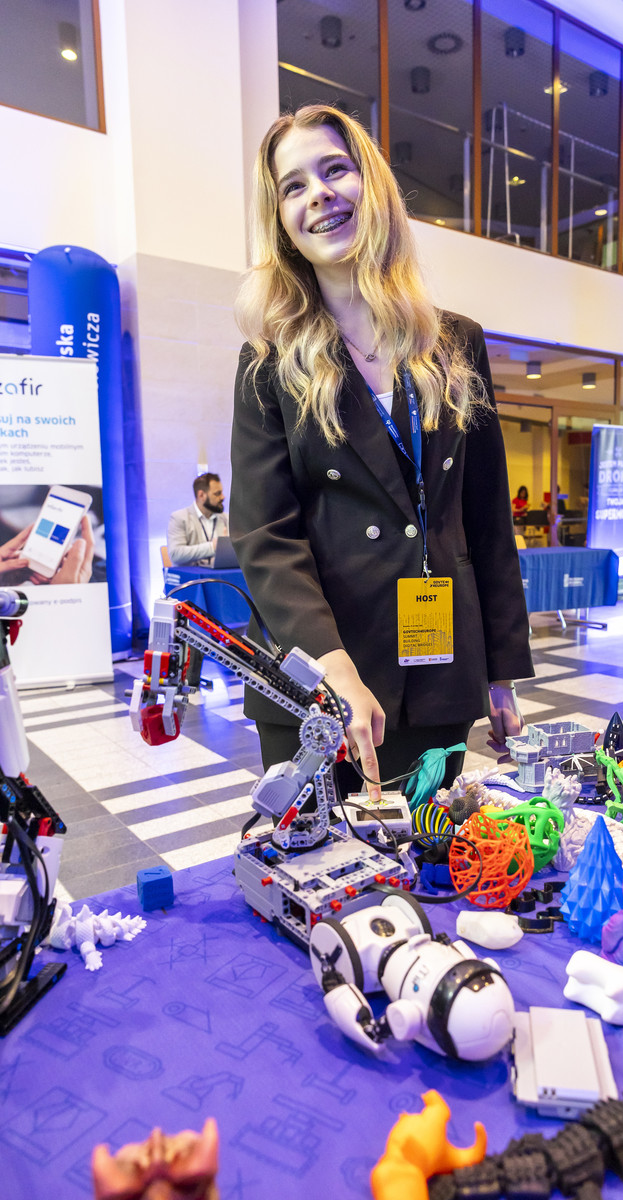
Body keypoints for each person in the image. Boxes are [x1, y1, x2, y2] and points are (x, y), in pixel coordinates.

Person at [230, 104, 533, 801]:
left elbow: (486, 521)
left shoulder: (456, 342)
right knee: (319, 857)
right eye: (293, 186)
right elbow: (265, 535)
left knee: (432, 855)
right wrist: (331, 665)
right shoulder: (268, 360)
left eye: (335, 170)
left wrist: (500, 670)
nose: (318, 195)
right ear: (281, 220)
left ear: (373, 185)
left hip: (438, 670)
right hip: (316, 681)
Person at [167, 473, 229, 566]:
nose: (223, 497)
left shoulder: (227, 519)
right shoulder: (179, 518)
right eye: (217, 494)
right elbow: (175, 554)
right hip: (191, 574)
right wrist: (212, 547)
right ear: (201, 495)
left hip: (222, 574)